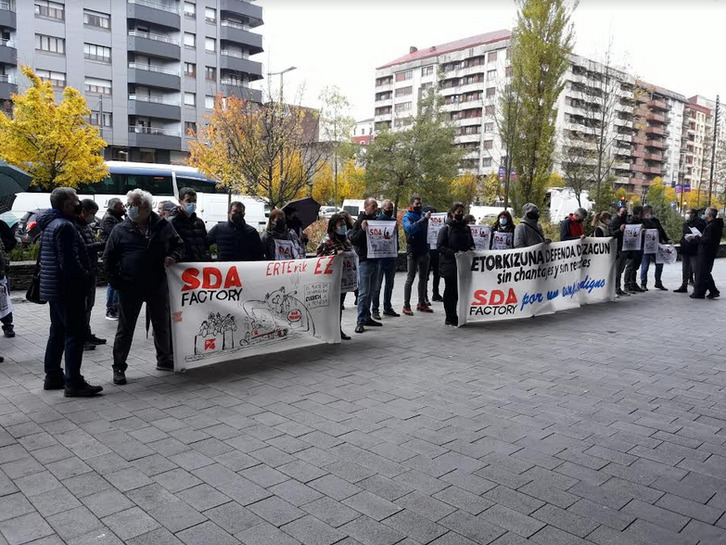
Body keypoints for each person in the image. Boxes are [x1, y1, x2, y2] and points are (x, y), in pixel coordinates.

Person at [103, 189, 184, 385]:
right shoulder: (120, 229)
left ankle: (164, 359)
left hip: (157, 284)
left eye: (133, 205)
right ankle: (119, 367)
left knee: (162, 324)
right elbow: (108, 258)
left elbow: (179, 245)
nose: (129, 209)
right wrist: (116, 281)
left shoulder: (163, 226)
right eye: (128, 205)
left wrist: (174, 256)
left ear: (146, 208)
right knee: (125, 328)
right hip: (130, 286)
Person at [38, 188, 102, 397]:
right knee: (74, 334)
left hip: (53, 288)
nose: (78, 204)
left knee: (57, 332)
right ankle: (74, 382)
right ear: (65, 204)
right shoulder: (65, 226)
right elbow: (69, 262)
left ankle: (53, 375)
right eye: (74, 200)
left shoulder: (50, 224)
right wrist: (84, 276)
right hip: (67, 289)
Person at [316, 213, 354, 340]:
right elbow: (319, 257)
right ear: (333, 227)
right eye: (340, 225)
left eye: (344, 224)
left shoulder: (346, 240)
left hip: (343, 279)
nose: (343, 227)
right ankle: (326, 330)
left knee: (339, 305)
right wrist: (334, 254)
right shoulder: (327, 241)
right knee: (330, 306)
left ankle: (337, 329)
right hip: (330, 279)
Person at [348, 197, 382, 333]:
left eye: (376, 206)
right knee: (363, 292)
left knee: (372, 291)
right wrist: (362, 230)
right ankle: (360, 321)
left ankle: (367, 317)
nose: (375, 209)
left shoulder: (377, 221)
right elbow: (354, 240)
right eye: (373, 206)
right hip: (365, 261)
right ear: (366, 206)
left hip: (376, 260)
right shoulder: (359, 222)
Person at [437, 203, 474, 326]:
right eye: (458, 212)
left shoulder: (466, 228)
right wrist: (454, 253)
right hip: (450, 264)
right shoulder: (446, 229)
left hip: (463, 264)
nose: (460, 214)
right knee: (450, 290)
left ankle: (456, 314)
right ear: (452, 213)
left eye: (462, 212)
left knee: (458, 291)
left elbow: (471, 243)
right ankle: (450, 316)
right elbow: (440, 246)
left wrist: (470, 250)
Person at [76, 199, 106, 349]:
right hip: (83, 273)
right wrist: (100, 245)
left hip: (91, 270)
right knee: (83, 307)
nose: (92, 217)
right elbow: (81, 248)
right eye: (91, 214)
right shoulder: (74, 226)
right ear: (83, 211)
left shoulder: (85, 226)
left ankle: (86, 333)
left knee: (89, 305)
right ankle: (81, 338)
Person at [402, 196, 433, 315]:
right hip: (413, 251)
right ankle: (406, 305)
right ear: (411, 204)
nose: (419, 206)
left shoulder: (424, 214)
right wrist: (423, 220)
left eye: (420, 203)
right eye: (416, 204)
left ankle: (422, 302)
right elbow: (410, 229)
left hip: (425, 250)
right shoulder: (407, 216)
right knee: (410, 278)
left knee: (423, 279)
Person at [371, 200, 400, 320]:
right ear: (382, 208)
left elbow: (395, 238)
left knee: (390, 284)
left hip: (391, 258)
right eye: (388, 208)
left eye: (391, 208)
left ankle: (387, 307)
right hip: (379, 259)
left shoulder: (393, 221)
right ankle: (375, 309)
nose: (390, 210)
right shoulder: (376, 221)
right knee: (377, 286)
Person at [170, 188, 211, 262]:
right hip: (184, 265)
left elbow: (205, 244)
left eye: (194, 201)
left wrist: (207, 257)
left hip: (200, 264)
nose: (192, 204)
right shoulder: (173, 222)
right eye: (188, 201)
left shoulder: (199, 222)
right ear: (180, 201)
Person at [100, 198, 125, 320]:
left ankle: (116, 307)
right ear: (115, 206)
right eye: (121, 205)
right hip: (113, 255)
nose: (124, 206)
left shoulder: (116, 217)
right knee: (112, 283)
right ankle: (111, 308)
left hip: (117, 254)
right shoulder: (109, 219)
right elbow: (115, 235)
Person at [691, 207, 723, 299]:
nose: (704, 215)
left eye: (705, 213)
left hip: (706, 252)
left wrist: (697, 238)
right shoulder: (714, 225)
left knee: (703, 272)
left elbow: (707, 240)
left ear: (709, 215)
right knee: (705, 272)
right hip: (709, 251)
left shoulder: (712, 226)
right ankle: (713, 291)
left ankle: (708, 291)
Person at [640, 205, 672, 291]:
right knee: (645, 266)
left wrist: (667, 239)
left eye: (651, 212)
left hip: (657, 245)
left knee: (659, 265)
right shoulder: (642, 221)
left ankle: (658, 282)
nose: (650, 213)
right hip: (646, 246)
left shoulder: (655, 220)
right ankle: (643, 283)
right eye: (648, 212)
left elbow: (661, 230)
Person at [674, 208, 706, 293]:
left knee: (695, 268)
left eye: (688, 213)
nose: (686, 215)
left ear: (693, 214)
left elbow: (701, 235)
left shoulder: (700, 223)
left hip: (694, 248)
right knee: (685, 268)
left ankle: (698, 287)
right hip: (685, 248)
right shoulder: (686, 223)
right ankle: (684, 285)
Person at [623, 205, 646, 294]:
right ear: (640, 212)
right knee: (630, 266)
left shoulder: (641, 221)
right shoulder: (632, 221)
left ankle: (633, 283)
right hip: (633, 247)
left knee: (635, 266)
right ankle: (627, 284)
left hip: (639, 245)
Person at [0, 218, 16, 338]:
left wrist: (3, 246)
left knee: (4, 297)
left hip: (1, 268)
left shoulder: (1, 225)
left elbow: (12, 242)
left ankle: (8, 325)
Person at [423, 205, 442, 303]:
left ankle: (435, 293)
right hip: (427, 249)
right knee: (425, 275)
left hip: (436, 249)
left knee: (437, 273)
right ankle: (424, 295)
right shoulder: (423, 222)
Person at [609, 206, 630, 297]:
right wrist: (619, 230)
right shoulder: (615, 221)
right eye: (622, 212)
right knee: (617, 270)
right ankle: (614, 288)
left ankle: (618, 288)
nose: (624, 214)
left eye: (625, 212)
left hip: (625, 248)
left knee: (621, 270)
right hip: (618, 249)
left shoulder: (626, 221)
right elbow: (611, 235)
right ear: (617, 212)